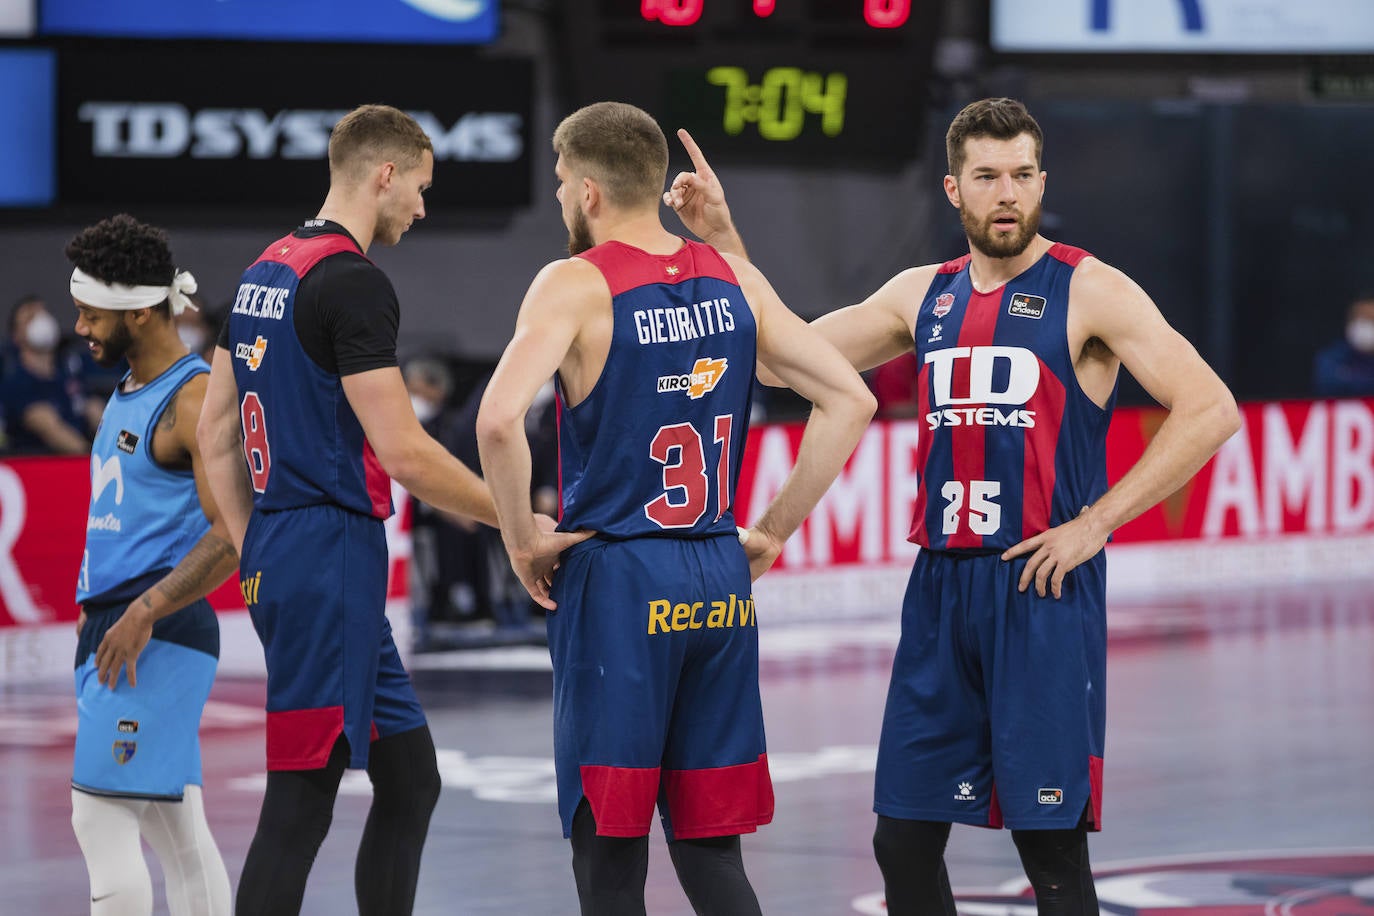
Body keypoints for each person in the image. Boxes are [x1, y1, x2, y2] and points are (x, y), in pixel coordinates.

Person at [667, 98, 1240, 914]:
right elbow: (779, 364)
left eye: (1020, 176)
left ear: (1041, 181)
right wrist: (724, 242)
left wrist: (1095, 523)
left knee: (1049, 848)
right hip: (938, 595)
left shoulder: (1092, 289)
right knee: (900, 840)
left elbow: (1211, 408)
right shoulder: (918, 294)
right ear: (953, 189)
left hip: (1039, 594)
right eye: (986, 177)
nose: (1006, 193)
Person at [475, 101, 875, 915]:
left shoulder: (572, 283)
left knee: (610, 853)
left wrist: (521, 538)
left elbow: (494, 419)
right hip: (718, 574)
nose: (559, 198)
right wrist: (772, 530)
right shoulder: (732, 275)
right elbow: (849, 398)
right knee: (709, 852)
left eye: (560, 182)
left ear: (588, 191)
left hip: (620, 575)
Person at [195, 104, 573, 916]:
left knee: (411, 779)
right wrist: (515, 523)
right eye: (423, 189)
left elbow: (213, 432)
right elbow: (404, 453)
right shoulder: (354, 284)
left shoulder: (267, 269)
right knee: (300, 804)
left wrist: (251, 545)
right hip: (329, 552)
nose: (423, 209)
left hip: (298, 554)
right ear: (385, 174)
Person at [65, 214, 236, 915]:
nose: (80, 328)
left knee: (99, 821)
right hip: (120, 627)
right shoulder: (132, 385)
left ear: (138, 310)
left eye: (89, 312)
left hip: (154, 634)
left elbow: (231, 534)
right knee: (180, 833)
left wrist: (142, 611)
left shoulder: (192, 398)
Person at [1, 293, 98, 453]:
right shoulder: (16, 383)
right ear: (16, 336)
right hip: (42, 467)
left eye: (43, 313)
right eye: (30, 317)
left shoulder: (68, 372)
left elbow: (93, 409)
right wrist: (92, 459)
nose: (41, 321)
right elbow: (51, 430)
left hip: (78, 462)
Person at [1312, 292, 1374, 397]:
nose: (1364, 326)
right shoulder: (1331, 357)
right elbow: (1328, 386)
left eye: (1370, 320)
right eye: (1360, 319)